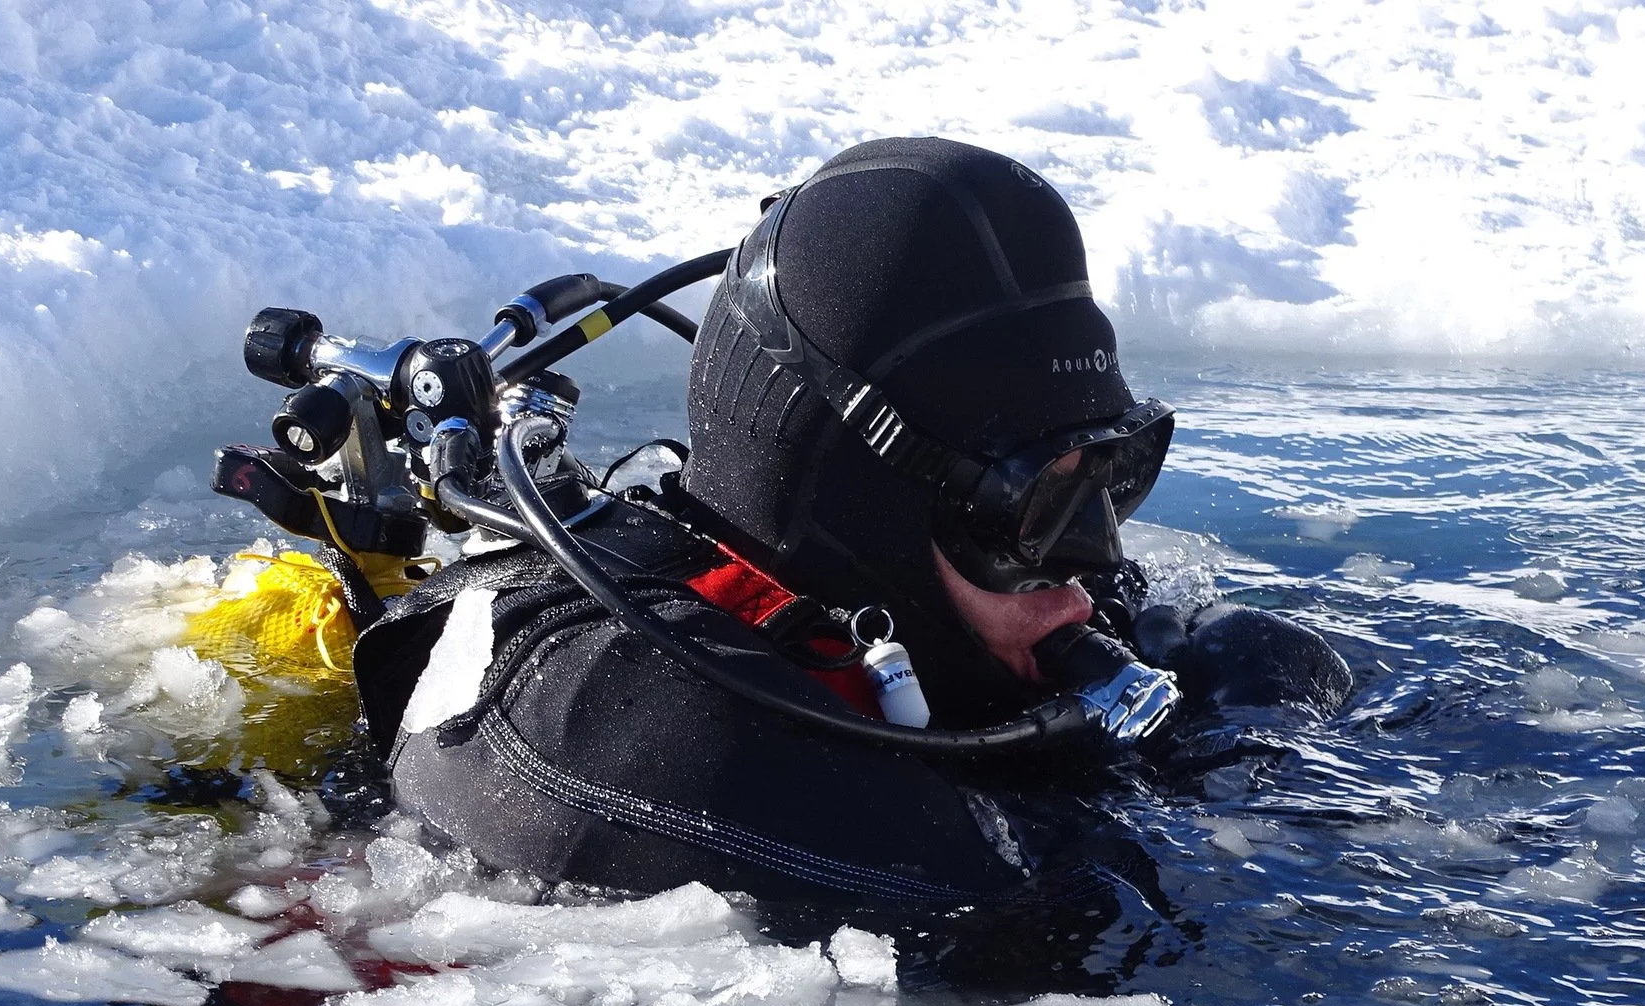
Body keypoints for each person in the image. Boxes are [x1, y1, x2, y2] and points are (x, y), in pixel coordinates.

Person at [352, 137, 1349, 904]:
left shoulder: (936, 597)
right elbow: (1059, 933)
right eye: (1034, 507)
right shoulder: (650, 743)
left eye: (1111, 478)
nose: (1091, 561)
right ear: (861, 514)